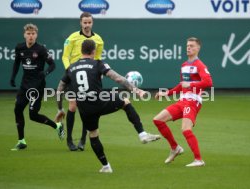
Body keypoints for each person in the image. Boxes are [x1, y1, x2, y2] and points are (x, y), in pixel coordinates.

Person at [56, 39, 160, 173]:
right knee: (125, 102)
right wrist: (136, 90)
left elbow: (59, 90)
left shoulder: (70, 68)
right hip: (100, 101)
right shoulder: (98, 63)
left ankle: (106, 166)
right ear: (94, 51)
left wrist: (60, 109)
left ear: (81, 51)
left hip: (84, 109)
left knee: (93, 135)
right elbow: (118, 78)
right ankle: (142, 134)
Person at [153, 37, 213, 167]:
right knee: (158, 120)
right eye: (187, 45)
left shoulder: (200, 65)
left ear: (198, 48)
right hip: (182, 100)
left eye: (192, 46)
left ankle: (199, 160)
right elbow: (182, 85)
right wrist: (166, 93)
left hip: (193, 101)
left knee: (186, 129)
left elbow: (208, 82)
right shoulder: (184, 65)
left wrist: (190, 84)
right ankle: (175, 148)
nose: (189, 48)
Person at [10, 23, 64, 151]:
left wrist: (44, 73)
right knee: (17, 109)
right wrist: (13, 77)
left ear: (36, 35)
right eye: (28, 34)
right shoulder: (19, 47)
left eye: (33, 34)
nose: (30, 36)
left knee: (33, 116)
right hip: (24, 85)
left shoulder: (41, 49)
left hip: (37, 86)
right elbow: (17, 63)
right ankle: (21, 141)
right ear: (24, 35)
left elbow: (52, 65)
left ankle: (57, 126)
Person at [59, 12, 104, 151]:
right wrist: (69, 71)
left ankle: (83, 140)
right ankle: (69, 140)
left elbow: (97, 58)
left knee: (86, 107)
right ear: (80, 23)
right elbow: (65, 56)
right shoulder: (72, 38)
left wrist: (98, 73)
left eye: (89, 22)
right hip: (74, 76)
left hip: (89, 77)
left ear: (92, 23)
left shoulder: (98, 40)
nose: (87, 25)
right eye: (84, 22)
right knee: (72, 106)